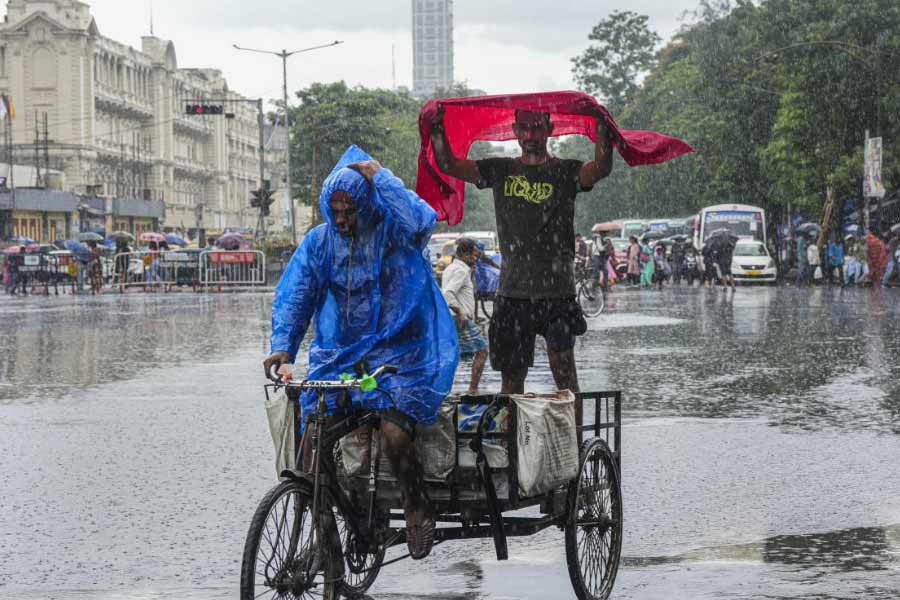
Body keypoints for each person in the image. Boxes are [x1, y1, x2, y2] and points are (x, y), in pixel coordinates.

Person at [263, 146, 458, 560]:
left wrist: (381, 176)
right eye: (335, 211)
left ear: (366, 204)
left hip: (400, 351)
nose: (342, 220)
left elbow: (423, 219)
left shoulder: (393, 231)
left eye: (350, 210)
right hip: (341, 356)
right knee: (311, 444)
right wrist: (283, 348)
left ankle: (416, 502)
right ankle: (327, 532)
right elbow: (297, 295)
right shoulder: (320, 243)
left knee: (394, 434)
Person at [429, 105, 613, 431]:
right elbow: (448, 164)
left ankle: (575, 445)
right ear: (514, 131)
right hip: (513, 294)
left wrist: (601, 126)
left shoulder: (565, 171)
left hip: (556, 293)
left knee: (565, 375)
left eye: (537, 128)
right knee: (511, 380)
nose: (530, 136)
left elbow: (599, 168)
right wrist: (437, 127)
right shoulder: (500, 170)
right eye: (524, 129)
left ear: (549, 129)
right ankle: (512, 450)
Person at [442, 237, 488, 395]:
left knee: (453, 355)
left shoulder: (452, 268)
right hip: (460, 319)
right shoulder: (460, 271)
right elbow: (448, 294)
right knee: (482, 351)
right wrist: (460, 313)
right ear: (465, 255)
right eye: (474, 255)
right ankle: (473, 389)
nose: (476, 259)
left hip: (452, 319)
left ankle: (444, 388)